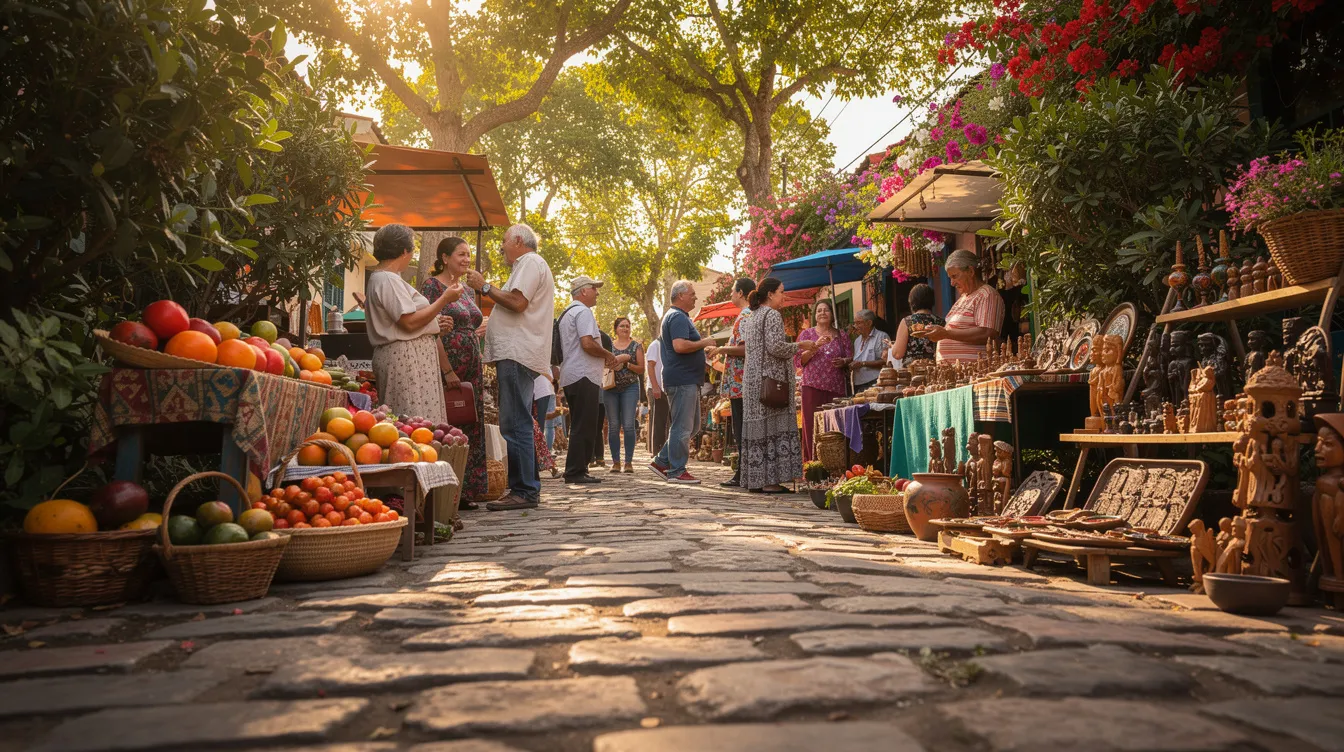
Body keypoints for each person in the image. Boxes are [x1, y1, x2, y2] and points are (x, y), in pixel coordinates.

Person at [466, 223, 555, 511]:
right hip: (517, 353)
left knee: (515, 423)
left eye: (504, 241)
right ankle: (526, 487)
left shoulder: (529, 262)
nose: (502, 246)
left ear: (518, 240)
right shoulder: (526, 265)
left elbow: (517, 302)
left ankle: (524, 490)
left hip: (517, 354)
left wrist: (484, 287)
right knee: (517, 422)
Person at [366, 224, 458, 423]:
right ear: (404, 251)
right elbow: (408, 323)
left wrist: (434, 323)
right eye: (412, 250)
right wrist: (444, 299)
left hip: (410, 358)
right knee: (411, 421)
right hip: (405, 359)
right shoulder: (387, 279)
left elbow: (407, 319)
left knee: (417, 422)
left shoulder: (387, 278)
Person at [740, 277, 824, 493]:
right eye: (781, 292)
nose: (784, 296)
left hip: (753, 382)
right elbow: (775, 347)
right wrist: (800, 345)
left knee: (758, 428)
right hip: (771, 383)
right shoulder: (772, 314)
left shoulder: (752, 316)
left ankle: (757, 480)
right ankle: (770, 482)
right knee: (772, 427)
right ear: (770, 294)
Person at [420, 236, 485, 506]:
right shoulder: (432, 286)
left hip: (472, 365)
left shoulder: (466, 290)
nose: (467, 259)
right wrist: (447, 370)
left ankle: (467, 491)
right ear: (445, 258)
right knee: (449, 426)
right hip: (448, 363)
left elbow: (471, 322)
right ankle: (447, 492)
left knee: (472, 423)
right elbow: (429, 329)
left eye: (468, 254)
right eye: (461, 254)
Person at [649, 280, 715, 484]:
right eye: (692, 294)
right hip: (682, 380)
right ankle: (677, 470)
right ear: (680, 296)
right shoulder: (677, 316)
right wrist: (704, 342)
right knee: (682, 427)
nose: (695, 297)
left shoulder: (679, 316)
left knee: (691, 426)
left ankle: (661, 461)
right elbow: (679, 346)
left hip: (686, 379)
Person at [557, 276, 620, 484]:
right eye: (594, 288)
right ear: (583, 291)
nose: (597, 292)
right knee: (584, 425)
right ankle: (576, 471)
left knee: (579, 424)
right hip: (583, 374)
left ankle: (577, 469)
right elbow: (587, 343)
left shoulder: (568, 312)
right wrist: (608, 355)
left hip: (573, 374)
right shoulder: (583, 312)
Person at [712, 278, 755, 488]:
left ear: (740, 293)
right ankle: (743, 472)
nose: (730, 294)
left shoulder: (746, 316)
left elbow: (745, 349)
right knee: (741, 429)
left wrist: (721, 349)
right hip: (740, 384)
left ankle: (743, 474)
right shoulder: (746, 315)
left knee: (742, 429)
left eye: (732, 291)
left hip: (742, 384)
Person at [795, 300, 852, 462]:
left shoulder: (841, 335)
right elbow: (799, 361)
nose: (822, 313)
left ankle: (836, 463)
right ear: (815, 315)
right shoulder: (807, 335)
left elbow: (850, 357)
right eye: (819, 310)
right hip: (812, 386)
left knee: (835, 426)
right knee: (811, 425)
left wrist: (844, 361)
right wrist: (815, 346)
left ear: (832, 314)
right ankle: (812, 464)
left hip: (836, 387)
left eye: (826, 310)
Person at [925, 250, 1005, 363]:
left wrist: (946, 334)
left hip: (975, 370)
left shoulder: (987, 295)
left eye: (955, 276)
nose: (952, 283)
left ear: (971, 271)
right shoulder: (963, 298)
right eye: (950, 278)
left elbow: (988, 333)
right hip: (953, 370)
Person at [603, 316, 644, 473]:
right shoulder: (608, 345)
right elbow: (602, 363)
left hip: (630, 388)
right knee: (613, 426)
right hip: (610, 388)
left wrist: (627, 364)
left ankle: (628, 462)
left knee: (628, 425)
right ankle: (615, 462)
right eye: (622, 326)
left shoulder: (636, 346)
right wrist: (613, 363)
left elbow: (641, 369)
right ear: (616, 329)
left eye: (627, 326)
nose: (625, 328)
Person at [888, 283, 944, 366]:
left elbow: (897, 354)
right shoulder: (941, 321)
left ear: (912, 301)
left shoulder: (908, 321)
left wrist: (893, 346)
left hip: (913, 370)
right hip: (935, 369)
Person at [847, 309, 890, 392]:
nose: (855, 326)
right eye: (854, 323)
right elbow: (857, 359)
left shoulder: (882, 336)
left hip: (876, 381)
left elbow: (886, 361)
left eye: (858, 323)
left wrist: (863, 364)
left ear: (869, 323)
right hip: (858, 383)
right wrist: (847, 362)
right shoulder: (857, 341)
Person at [533, 365, 561, 477]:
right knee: (536, 429)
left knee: (536, 430)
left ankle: (541, 465)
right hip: (539, 388)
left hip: (539, 389)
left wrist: (552, 381)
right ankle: (542, 465)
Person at [645, 337, 668, 455]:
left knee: (664, 421)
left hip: (664, 388)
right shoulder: (655, 345)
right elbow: (650, 366)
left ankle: (662, 450)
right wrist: (655, 386)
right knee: (657, 422)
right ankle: (656, 451)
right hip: (655, 388)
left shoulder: (667, 344)